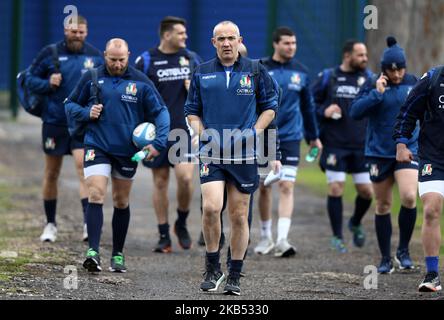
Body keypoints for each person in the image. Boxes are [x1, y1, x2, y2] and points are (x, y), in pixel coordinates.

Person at [185, 21, 278, 295]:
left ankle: (235, 273)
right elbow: (192, 111)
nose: (226, 43)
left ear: (240, 40)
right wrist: (203, 134)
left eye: (231, 38)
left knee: (238, 216)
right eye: (221, 39)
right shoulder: (201, 72)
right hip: (211, 153)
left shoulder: (256, 70)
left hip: (244, 155)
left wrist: (253, 133)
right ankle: (212, 267)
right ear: (213, 42)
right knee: (212, 208)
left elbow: (270, 108)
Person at [65, 38, 170, 273]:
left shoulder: (140, 82)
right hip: (97, 145)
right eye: (112, 59)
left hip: (126, 152)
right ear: (104, 55)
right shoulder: (91, 77)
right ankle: (93, 251)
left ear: (128, 56)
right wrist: (86, 112)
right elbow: (70, 105)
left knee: (121, 201)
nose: (117, 64)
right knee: (96, 193)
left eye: (122, 59)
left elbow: (161, 112)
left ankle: (118, 254)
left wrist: (158, 142)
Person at [26, 15, 103, 242]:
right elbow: (28, 78)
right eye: (73, 31)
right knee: (52, 172)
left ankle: (89, 224)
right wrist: (47, 83)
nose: (77, 35)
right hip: (54, 121)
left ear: (86, 32)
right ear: (65, 30)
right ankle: (50, 224)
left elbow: (102, 88)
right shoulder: (49, 53)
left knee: (83, 169)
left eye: (81, 32)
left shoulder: (94, 56)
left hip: (81, 124)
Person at [351, 37, 418, 274]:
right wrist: (376, 94)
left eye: (400, 68)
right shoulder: (371, 84)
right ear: (384, 69)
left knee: (409, 197)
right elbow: (355, 112)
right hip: (378, 153)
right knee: (383, 204)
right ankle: (385, 258)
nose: (397, 74)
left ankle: (404, 250)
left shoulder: (414, 83)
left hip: (408, 149)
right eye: (392, 69)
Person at [135, 16, 202, 253]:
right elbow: (136, 95)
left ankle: (181, 223)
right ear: (166, 35)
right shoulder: (145, 60)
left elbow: (207, 92)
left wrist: (193, 89)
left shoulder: (192, 59)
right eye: (180, 33)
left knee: (185, 178)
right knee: (160, 181)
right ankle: (163, 234)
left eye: (185, 33)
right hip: (157, 133)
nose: (185, 37)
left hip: (183, 132)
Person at [254, 27, 322, 257]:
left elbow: (308, 107)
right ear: (276, 44)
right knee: (264, 187)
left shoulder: (301, 72)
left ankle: (283, 239)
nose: (291, 47)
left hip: (292, 136)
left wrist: (313, 137)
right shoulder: (260, 68)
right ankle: (265, 237)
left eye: (294, 43)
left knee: (286, 185)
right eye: (286, 43)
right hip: (265, 136)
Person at [312, 40, 374, 253]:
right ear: (347, 56)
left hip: (361, 145)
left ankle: (355, 222)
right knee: (336, 187)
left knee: (366, 191)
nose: (365, 59)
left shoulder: (369, 79)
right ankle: (337, 236)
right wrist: (324, 111)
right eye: (361, 55)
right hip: (335, 144)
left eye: (365, 55)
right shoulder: (328, 77)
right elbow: (310, 104)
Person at [393, 50, 444, 293]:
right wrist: (402, 143)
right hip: (435, 156)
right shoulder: (433, 79)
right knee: (432, 209)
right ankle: (432, 273)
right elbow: (408, 111)